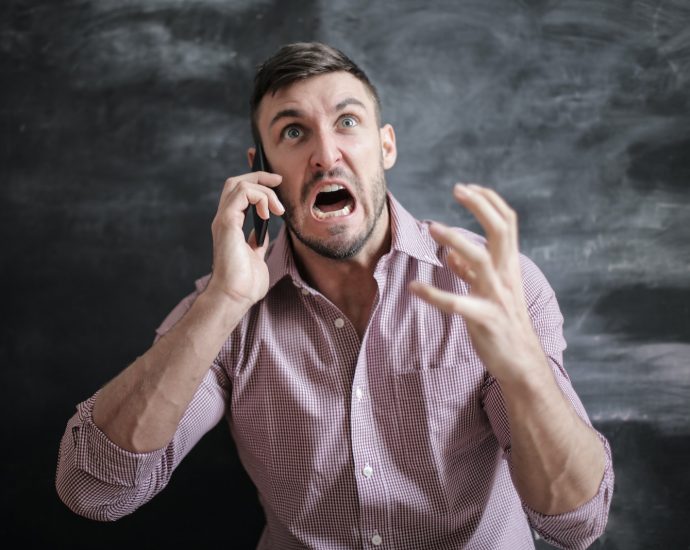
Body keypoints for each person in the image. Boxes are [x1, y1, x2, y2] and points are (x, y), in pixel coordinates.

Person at [56, 42, 613, 549]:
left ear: (385, 145)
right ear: (261, 172)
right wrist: (223, 301)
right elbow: (96, 492)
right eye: (293, 132)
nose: (326, 155)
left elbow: (574, 523)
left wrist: (525, 373)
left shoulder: (493, 283)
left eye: (347, 122)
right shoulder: (224, 311)